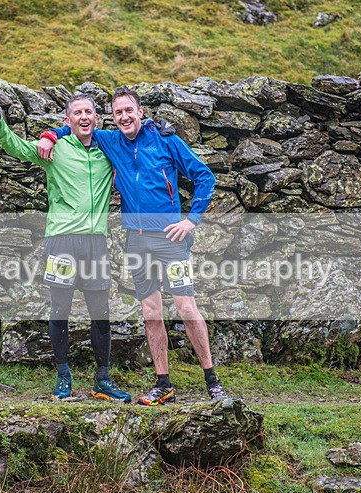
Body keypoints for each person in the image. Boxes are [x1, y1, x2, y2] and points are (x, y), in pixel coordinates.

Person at [38, 88, 229, 406]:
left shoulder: (165, 139)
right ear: (112, 118)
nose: (124, 117)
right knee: (151, 312)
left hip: (170, 238)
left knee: (186, 307)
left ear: (141, 112)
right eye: (118, 113)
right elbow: (77, 126)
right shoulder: (110, 141)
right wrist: (50, 135)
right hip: (137, 240)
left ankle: (213, 381)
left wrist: (191, 220)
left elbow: (204, 176)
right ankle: (163, 384)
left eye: (129, 110)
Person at [0, 94, 131, 403]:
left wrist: (159, 127)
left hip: (95, 242)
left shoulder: (109, 150)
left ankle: (103, 379)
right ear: (68, 120)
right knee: (60, 309)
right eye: (77, 113)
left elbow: (137, 133)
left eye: (88, 111)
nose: (83, 116)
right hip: (61, 241)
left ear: (97, 118)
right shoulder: (56, 149)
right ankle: (63, 375)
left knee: (101, 313)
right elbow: (17, 148)